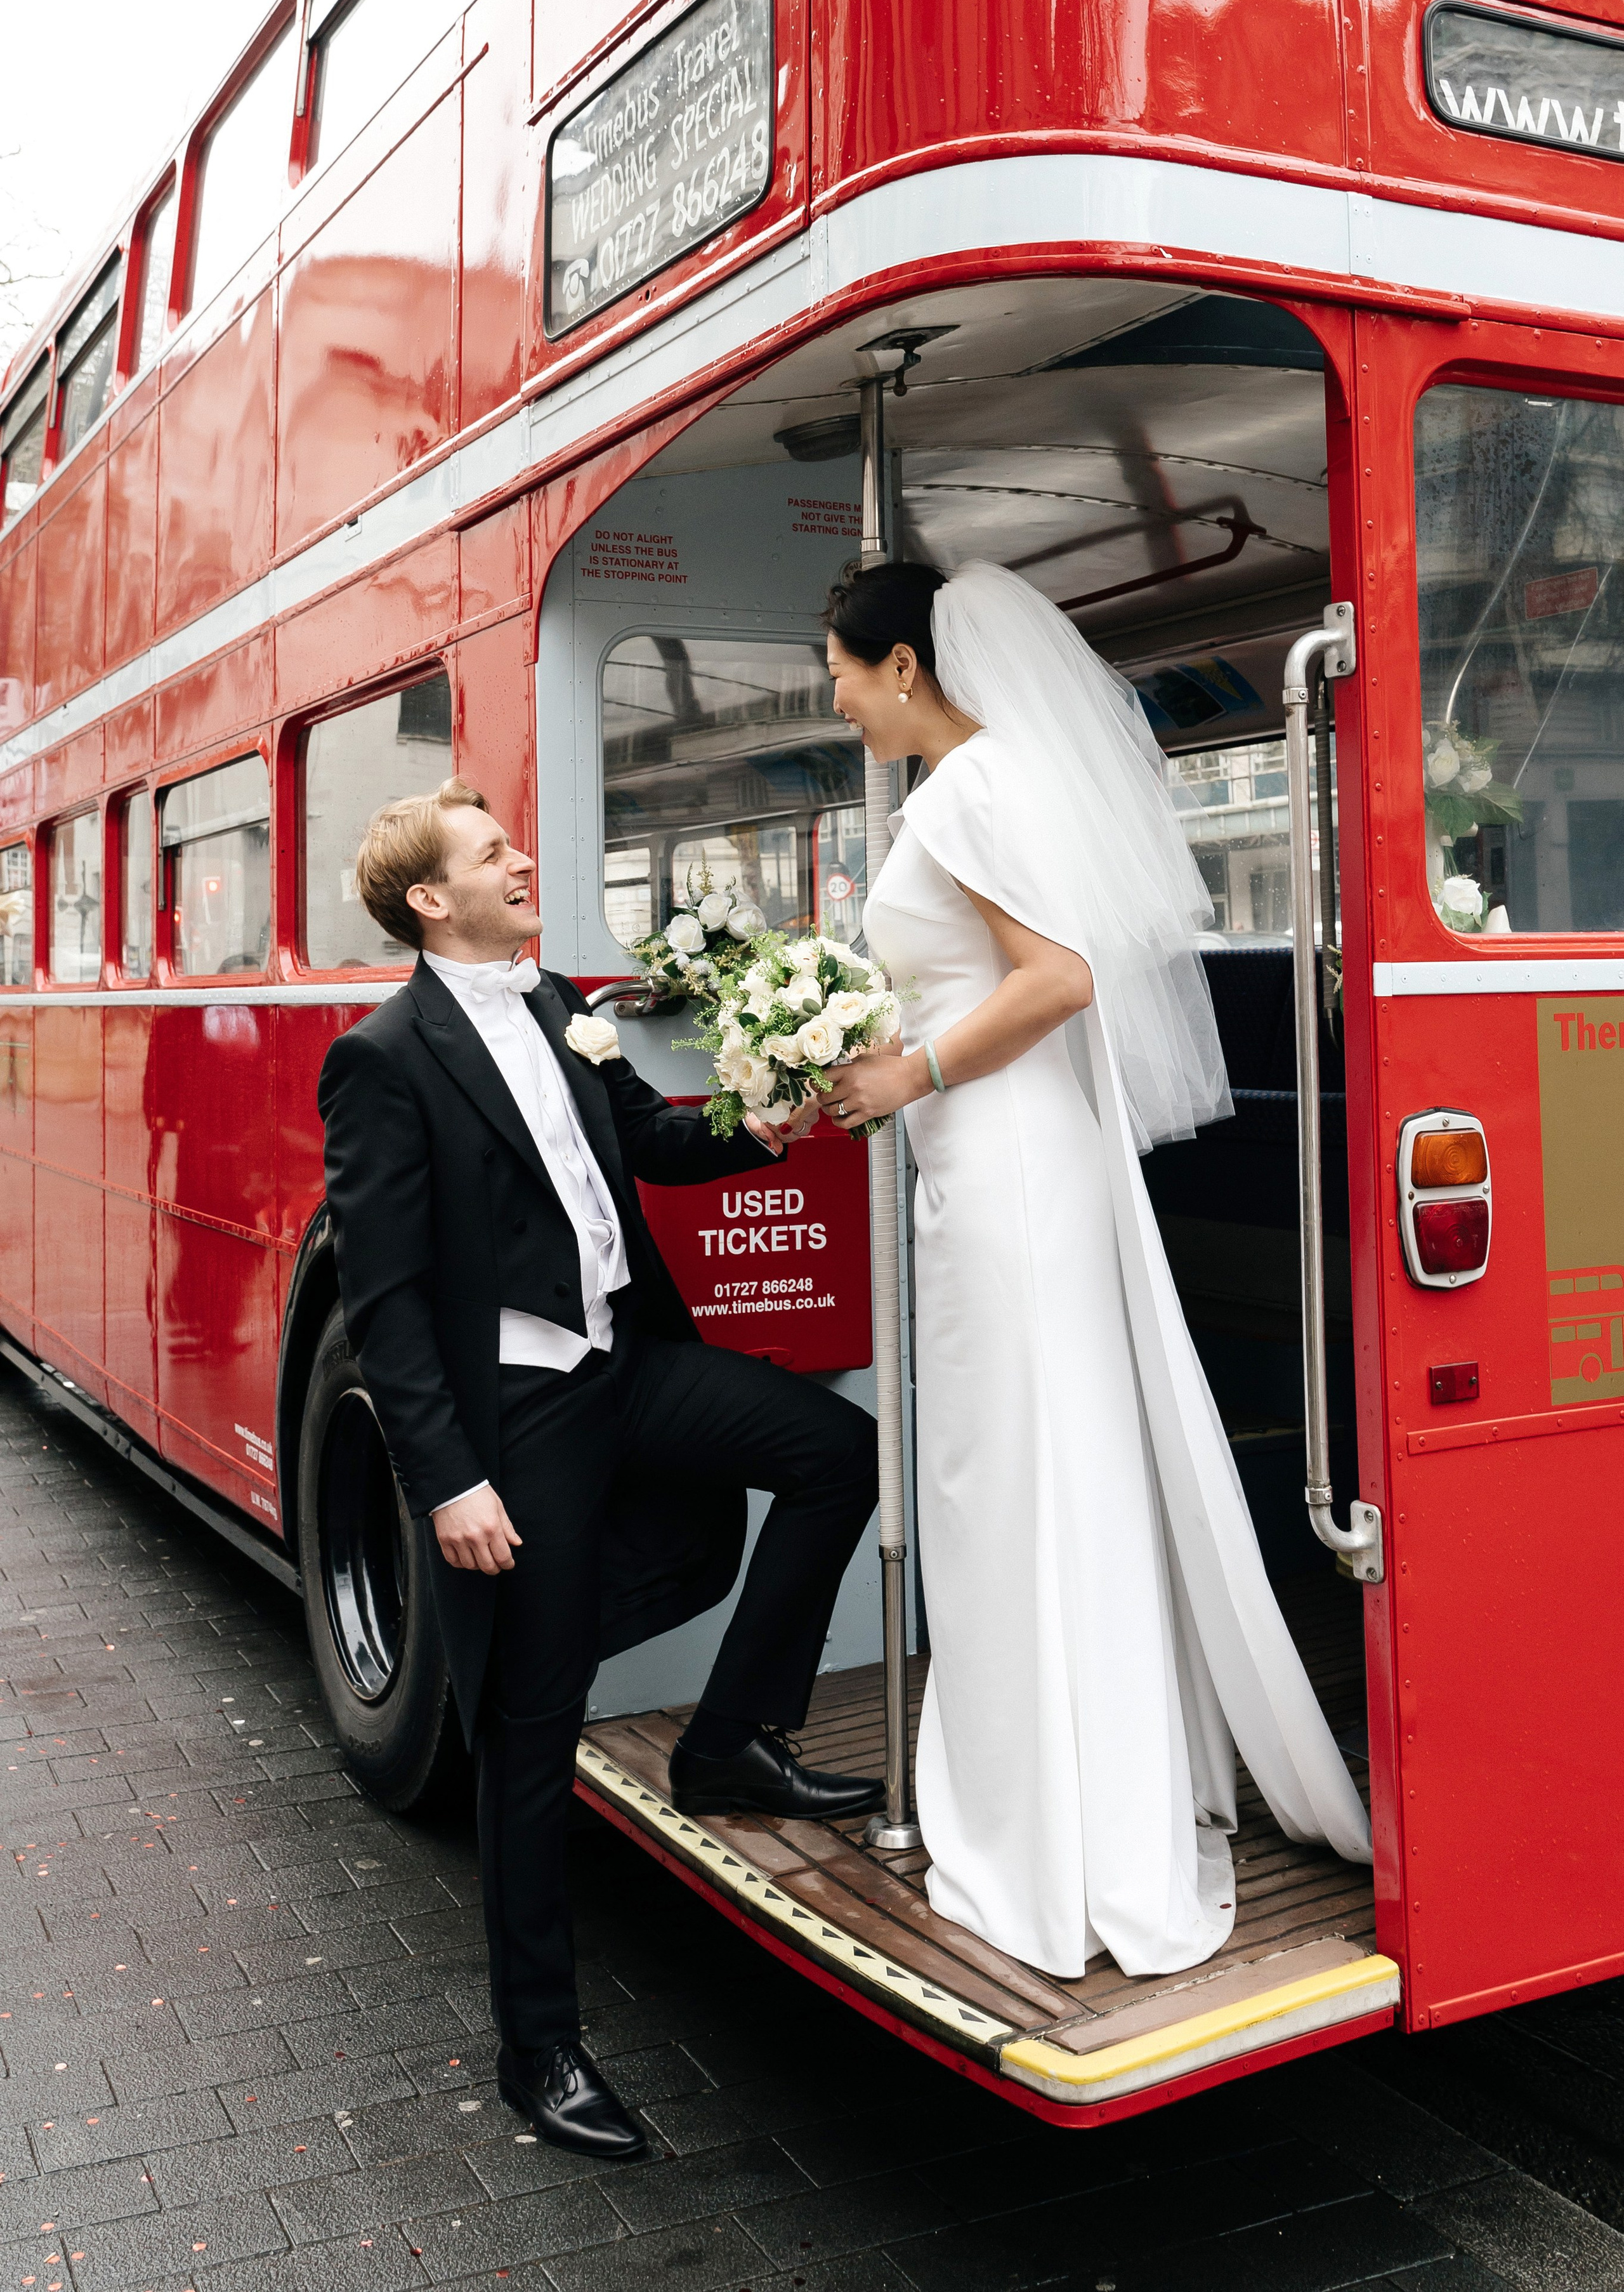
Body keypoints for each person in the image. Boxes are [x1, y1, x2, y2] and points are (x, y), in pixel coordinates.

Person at [818, 562, 1371, 1980]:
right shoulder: (978, 783)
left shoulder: (965, 791)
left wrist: (909, 1069)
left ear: (898, 666)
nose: (829, 694)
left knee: (1010, 1482)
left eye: (837, 666)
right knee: (1030, 1474)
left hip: (1004, 1166)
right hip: (997, 1162)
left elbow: (1055, 977)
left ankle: (1047, 1833)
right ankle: (1065, 1794)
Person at [318, 778, 880, 2160]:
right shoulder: (383, 1058)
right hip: (520, 1414)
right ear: (431, 901)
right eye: (492, 850)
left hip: (631, 1359)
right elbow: (385, 1299)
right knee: (528, 1726)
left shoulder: (561, 995)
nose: (524, 855)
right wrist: (448, 1481)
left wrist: (746, 1128)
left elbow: (636, 1141)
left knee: (835, 1452)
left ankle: (726, 1741)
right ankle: (539, 2048)